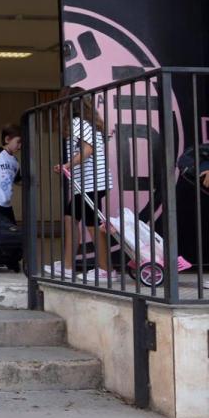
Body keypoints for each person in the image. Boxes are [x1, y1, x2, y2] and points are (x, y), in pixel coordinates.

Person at [51, 88, 115, 282]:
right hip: (88, 183)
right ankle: (69, 265)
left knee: (92, 225)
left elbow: (88, 149)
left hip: (91, 183)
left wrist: (67, 165)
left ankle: (105, 270)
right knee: (71, 219)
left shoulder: (78, 122)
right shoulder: (87, 123)